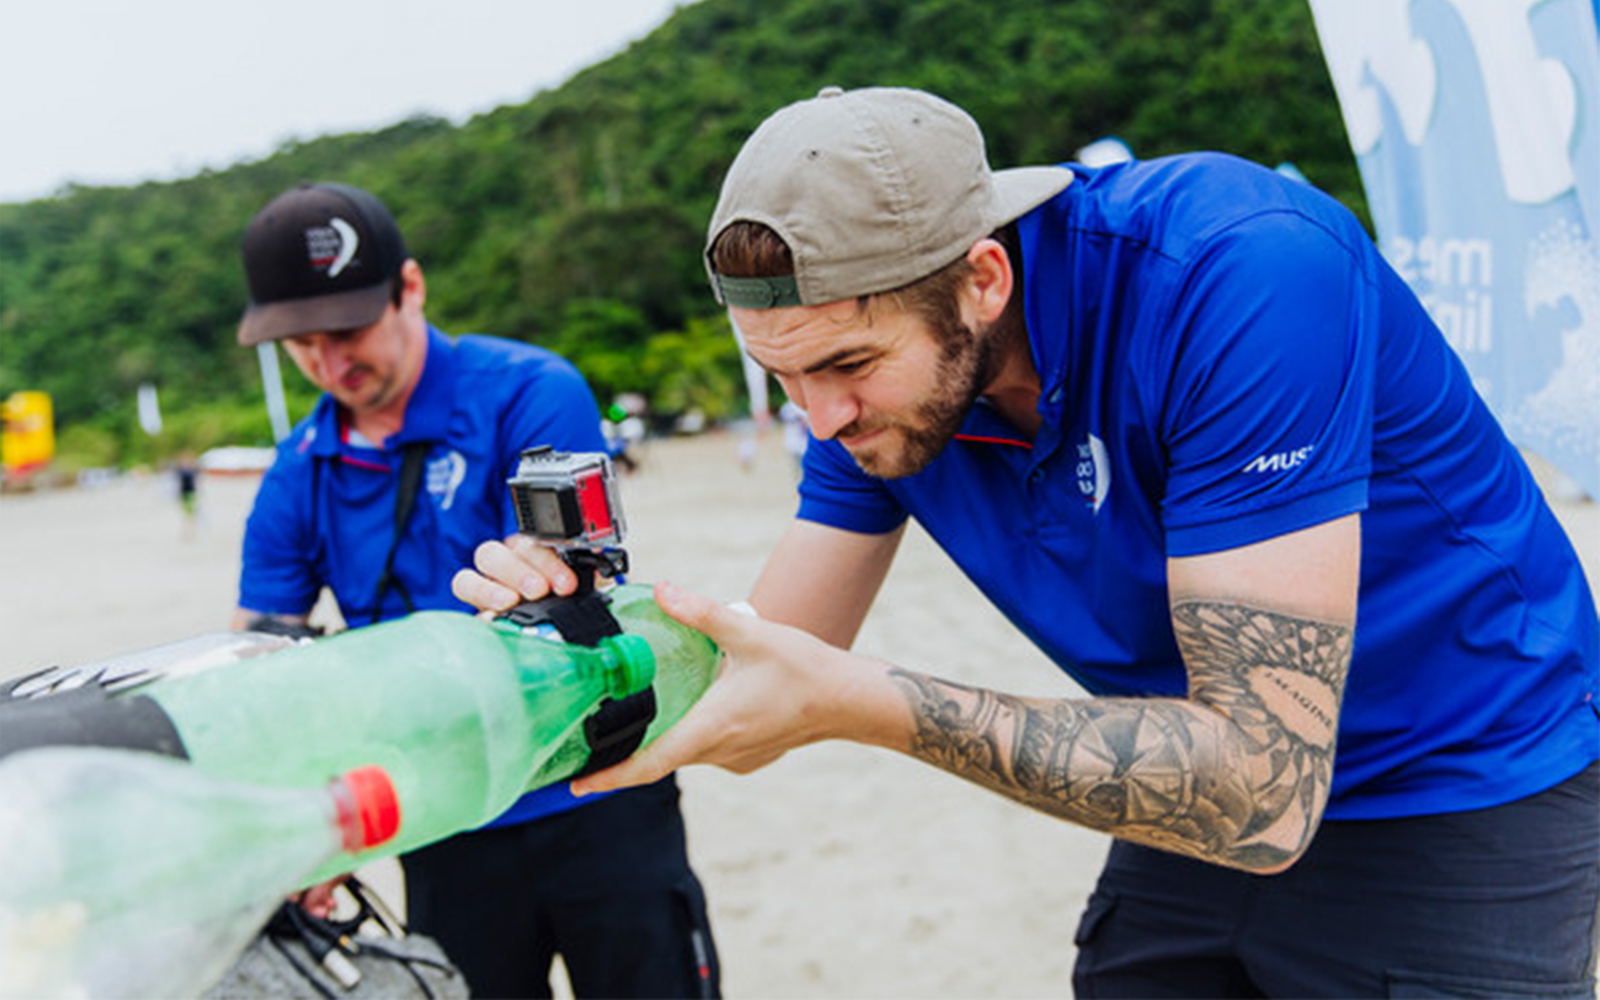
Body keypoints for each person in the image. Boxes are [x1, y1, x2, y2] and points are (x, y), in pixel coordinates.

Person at [456, 87, 1600, 997]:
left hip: (1460, 774)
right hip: (1183, 774)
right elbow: (765, 659)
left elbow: (1261, 787)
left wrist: (868, 704)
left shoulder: (1238, 271)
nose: (822, 417)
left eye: (846, 368)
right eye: (784, 376)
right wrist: (578, 639)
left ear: (982, 278)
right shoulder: (875, 397)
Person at [232, 182, 719, 999]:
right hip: (443, 816)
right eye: (301, 344)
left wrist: (544, 572)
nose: (331, 362)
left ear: (410, 288)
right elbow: (263, 653)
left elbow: (570, 589)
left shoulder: (528, 392)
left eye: (348, 329)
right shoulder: (296, 472)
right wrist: (295, 830)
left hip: (598, 788)